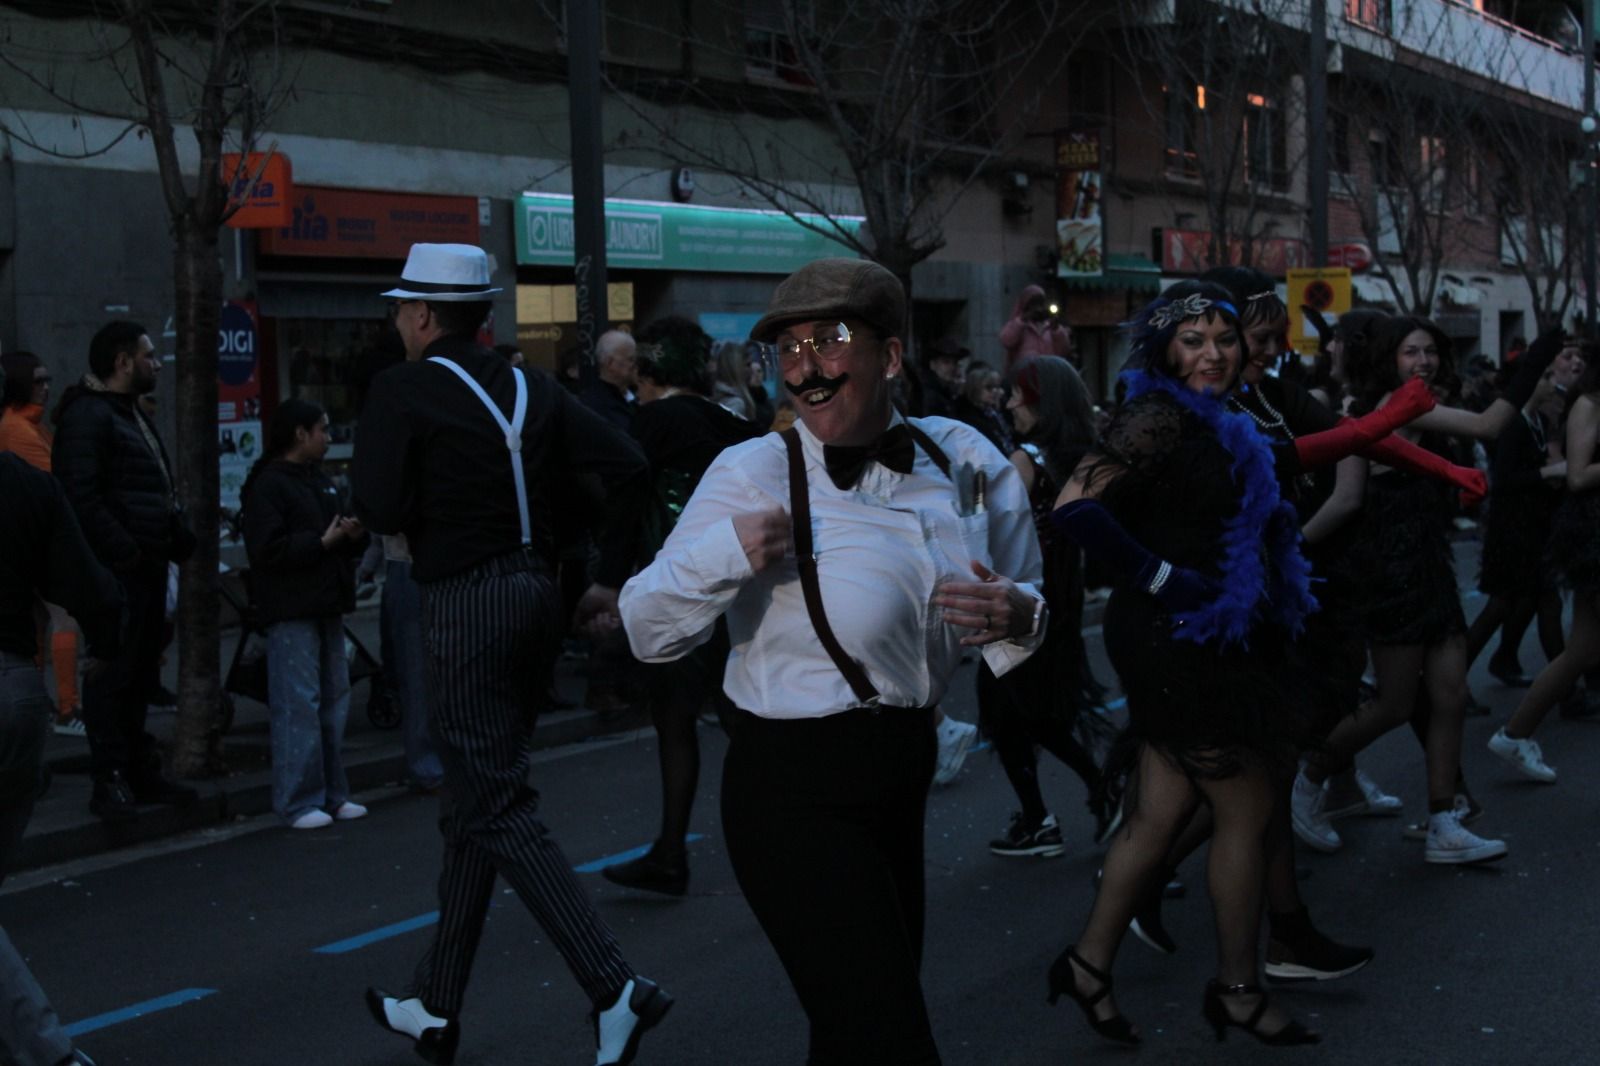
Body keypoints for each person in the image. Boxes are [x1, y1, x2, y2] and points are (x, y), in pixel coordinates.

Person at [621, 257, 1047, 1064]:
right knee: (889, 1038)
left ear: (891, 356)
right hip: (791, 789)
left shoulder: (963, 459)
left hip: (902, 773)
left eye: (831, 340)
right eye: (789, 348)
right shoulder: (752, 470)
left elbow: (1023, 604)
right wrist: (726, 553)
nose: (806, 367)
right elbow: (645, 627)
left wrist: (1022, 616)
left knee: (853, 1033)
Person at [352, 244, 669, 1066]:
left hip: (465, 601)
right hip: (537, 594)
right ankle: (434, 1003)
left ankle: (614, 986)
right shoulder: (535, 387)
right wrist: (603, 576)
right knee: (473, 801)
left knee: (494, 802)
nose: (398, 319)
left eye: (402, 307)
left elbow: (380, 504)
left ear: (425, 314)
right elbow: (629, 465)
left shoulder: (402, 388)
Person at [1047, 281, 1323, 1047]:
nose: (1213, 354)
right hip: (1172, 634)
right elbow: (1074, 506)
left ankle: (1088, 965)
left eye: (1225, 339)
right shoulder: (1156, 416)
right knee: (1247, 808)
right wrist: (1163, 576)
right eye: (1193, 340)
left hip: (1211, 633)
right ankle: (1238, 989)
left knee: (1159, 816)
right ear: (1164, 350)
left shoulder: (1224, 419)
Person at [1291, 319, 1560, 862]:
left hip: (1430, 564)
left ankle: (1443, 820)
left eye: (1431, 351)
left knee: (1451, 696)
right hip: (1390, 570)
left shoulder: (1403, 404)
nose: (1424, 360)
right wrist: (1537, 358)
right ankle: (1307, 777)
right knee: (1393, 704)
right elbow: (1487, 426)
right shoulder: (1391, 407)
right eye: (1411, 351)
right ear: (1388, 358)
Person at [602, 318, 763, 896]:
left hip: (679, 588)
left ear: (648, 371)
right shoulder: (737, 424)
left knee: (675, 721)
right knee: (741, 715)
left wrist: (606, 581)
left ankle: (673, 852)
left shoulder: (652, 423)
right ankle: (788, 828)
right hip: (741, 590)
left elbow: (625, 501)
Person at [0, 350, 117, 1066]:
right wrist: (109, 645)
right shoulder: (26, 483)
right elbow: (90, 587)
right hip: (16, 690)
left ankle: (46, 1051)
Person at [52, 321, 197, 822]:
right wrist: (127, 552)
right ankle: (110, 778)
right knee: (112, 674)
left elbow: (150, 488)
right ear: (122, 362)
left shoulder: (126, 413)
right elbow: (80, 498)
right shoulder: (89, 417)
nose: (156, 363)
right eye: (148, 355)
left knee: (138, 674)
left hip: (145, 565)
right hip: (118, 574)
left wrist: (173, 535)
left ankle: (138, 770)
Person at [982, 355, 1108, 857]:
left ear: (1042, 402)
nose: (1009, 403)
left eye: (1018, 394)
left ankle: (1102, 790)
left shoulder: (1025, 460)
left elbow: (994, 529)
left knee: (1023, 712)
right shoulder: (1081, 458)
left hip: (1019, 599)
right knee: (1022, 709)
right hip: (1061, 597)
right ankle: (1042, 816)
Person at [240, 399, 370, 829]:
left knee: (332, 698)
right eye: (322, 429)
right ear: (300, 434)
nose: (328, 438)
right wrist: (323, 543)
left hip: (325, 600)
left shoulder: (317, 479)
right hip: (292, 605)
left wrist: (350, 536)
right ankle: (299, 799)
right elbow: (267, 550)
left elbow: (327, 537)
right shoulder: (270, 485)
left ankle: (331, 794)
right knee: (300, 703)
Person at [1487, 352, 1600, 781]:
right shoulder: (1589, 403)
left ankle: (1515, 733)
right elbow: (1577, 475)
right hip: (1592, 534)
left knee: (1583, 651)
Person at [1466, 342, 1586, 691]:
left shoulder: (1536, 421)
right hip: (1513, 531)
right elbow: (1504, 480)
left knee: (1524, 603)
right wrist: (1548, 473)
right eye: (1545, 376)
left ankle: (1508, 663)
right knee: (1513, 605)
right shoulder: (1515, 424)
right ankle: (1565, 691)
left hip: (1530, 529)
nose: (1551, 382)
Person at [0, 351, 84, 738]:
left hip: (31, 542)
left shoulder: (28, 426)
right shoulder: (18, 429)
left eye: (48, 379)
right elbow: (54, 484)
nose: (46, 387)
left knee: (39, 624)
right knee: (63, 619)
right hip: (41, 543)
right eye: (38, 381)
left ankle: (46, 702)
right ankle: (67, 708)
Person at [949, 359, 1015, 455]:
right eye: (989, 387)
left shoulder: (994, 411)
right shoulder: (967, 416)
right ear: (975, 388)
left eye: (997, 386)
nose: (995, 391)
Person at [999, 284, 1071, 368]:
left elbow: (1063, 351)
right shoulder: (1019, 324)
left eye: (1040, 303)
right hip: (1025, 373)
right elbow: (1006, 340)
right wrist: (1023, 320)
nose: (1038, 308)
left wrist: (1056, 330)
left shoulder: (1050, 327)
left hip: (1048, 371)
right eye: (1034, 304)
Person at [581, 329, 639, 432]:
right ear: (610, 363)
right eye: (630, 359)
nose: (635, 365)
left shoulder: (639, 396)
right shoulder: (594, 406)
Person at [918, 337, 967, 418]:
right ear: (933, 365)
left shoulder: (945, 391)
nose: (952, 367)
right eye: (946, 362)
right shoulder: (929, 394)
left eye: (955, 363)